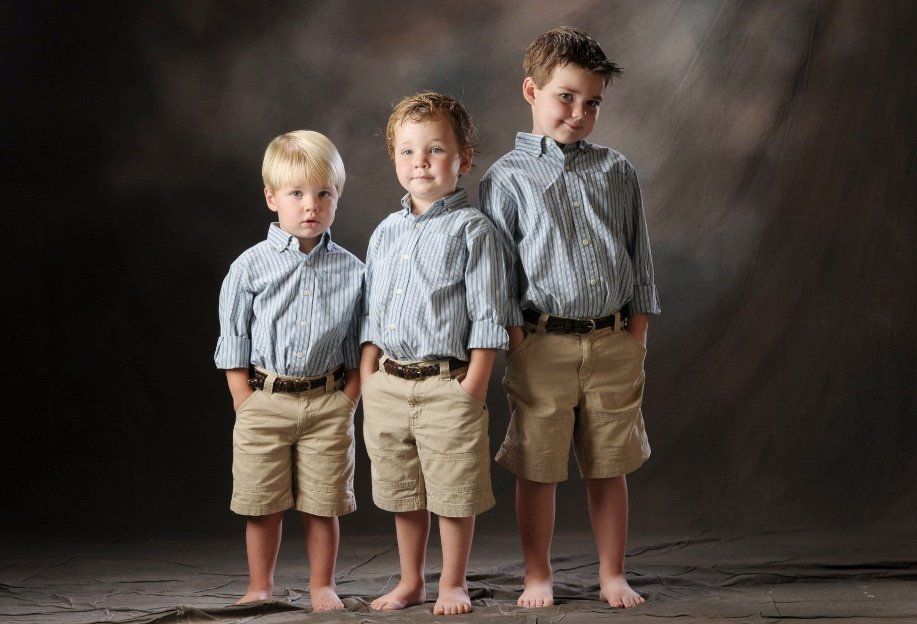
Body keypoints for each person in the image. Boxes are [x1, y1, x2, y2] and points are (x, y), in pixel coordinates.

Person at [479, 27, 661, 609]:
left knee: (609, 466)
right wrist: (517, 341)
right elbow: (498, 274)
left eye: (592, 102)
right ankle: (538, 575)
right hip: (542, 344)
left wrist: (636, 336)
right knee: (540, 467)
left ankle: (613, 574)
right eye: (566, 97)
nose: (579, 113)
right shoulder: (505, 179)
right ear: (532, 90)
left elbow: (640, 260)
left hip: (611, 341)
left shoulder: (617, 171)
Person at [360, 92, 508, 615]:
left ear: (464, 159)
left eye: (435, 149)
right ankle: (410, 581)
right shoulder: (385, 233)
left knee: (452, 491)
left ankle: (452, 582)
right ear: (395, 159)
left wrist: (474, 386)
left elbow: (489, 317)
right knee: (404, 492)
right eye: (407, 151)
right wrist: (368, 375)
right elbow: (372, 315)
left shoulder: (475, 231)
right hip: (390, 383)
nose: (420, 161)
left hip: (449, 384)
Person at [214, 130, 363, 611]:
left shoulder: (354, 271)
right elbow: (232, 339)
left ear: (336, 198)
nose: (310, 205)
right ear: (271, 197)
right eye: (297, 193)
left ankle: (323, 585)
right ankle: (261, 585)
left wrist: (348, 398)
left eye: (324, 193)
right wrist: (244, 399)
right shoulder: (249, 268)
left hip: (327, 401)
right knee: (263, 504)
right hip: (266, 399)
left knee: (323, 505)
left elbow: (363, 342)